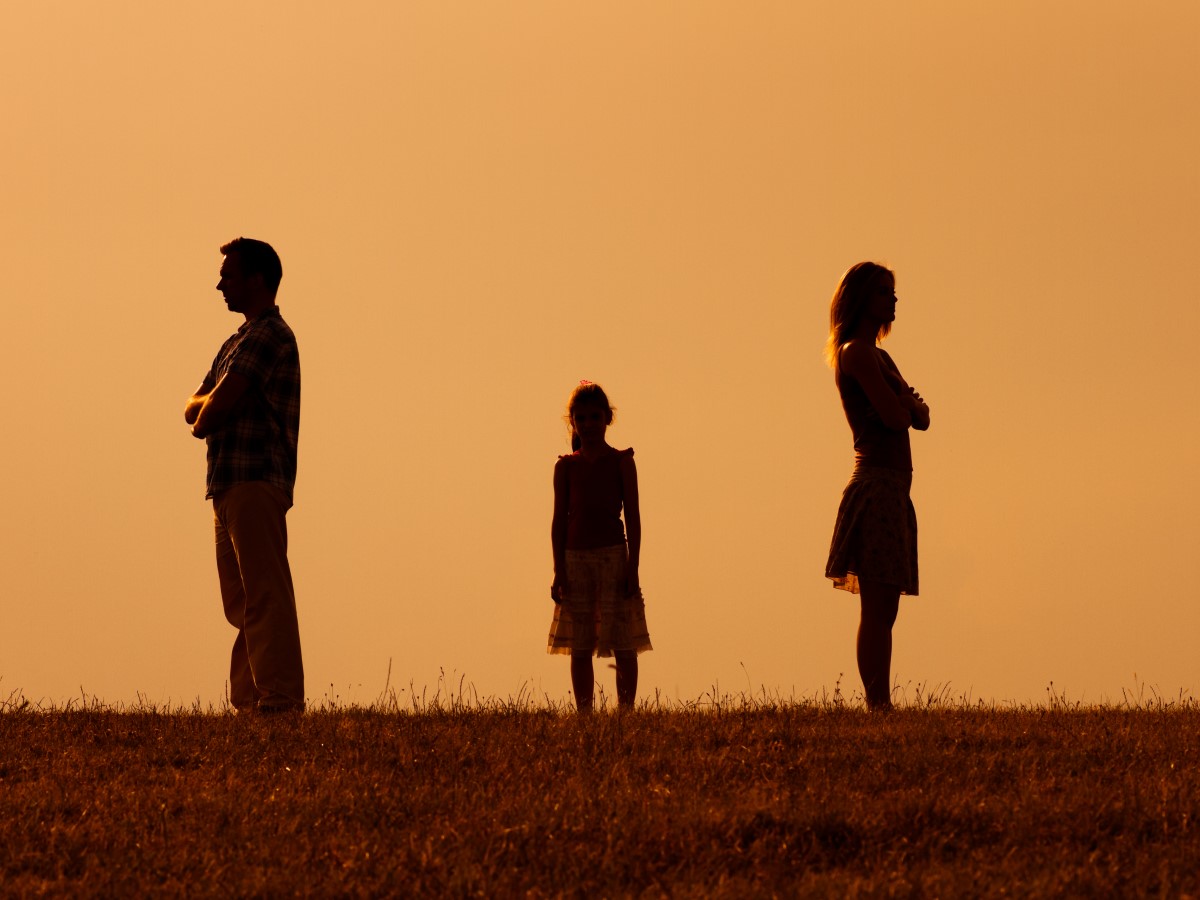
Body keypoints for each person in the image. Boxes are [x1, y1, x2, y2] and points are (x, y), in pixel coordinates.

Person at [184, 238, 305, 714]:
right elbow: (196, 405)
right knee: (242, 600)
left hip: (255, 478)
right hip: (230, 482)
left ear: (257, 279)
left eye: (229, 275)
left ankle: (279, 699)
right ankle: (252, 702)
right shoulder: (237, 340)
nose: (220, 284)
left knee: (264, 592)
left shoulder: (267, 335)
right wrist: (206, 407)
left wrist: (207, 408)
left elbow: (213, 407)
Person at [824, 262, 930, 711]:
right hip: (875, 486)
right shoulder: (857, 353)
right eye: (886, 292)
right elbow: (897, 416)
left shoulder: (880, 356)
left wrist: (906, 403)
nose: (893, 300)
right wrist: (905, 400)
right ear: (863, 297)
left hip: (895, 488)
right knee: (876, 606)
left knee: (887, 607)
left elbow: (921, 418)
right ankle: (876, 702)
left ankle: (879, 700)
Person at [548, 381, 652, 711]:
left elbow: (633, 518)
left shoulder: (622, 462)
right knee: (580, 643)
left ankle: (626, 711)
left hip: (612, 557)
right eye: (583, 418)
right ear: (573, 422)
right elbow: (558, 521)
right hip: (575, 558)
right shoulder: (565, 467)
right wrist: (558, 569)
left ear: (608, 418)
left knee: (623, 639)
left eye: (596, 417)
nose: (590, 424)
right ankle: (584, 712)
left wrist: (632, 567)